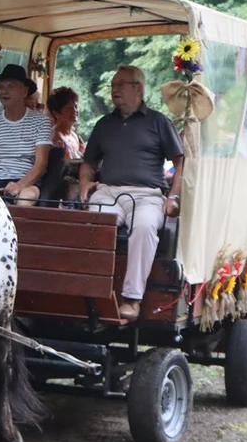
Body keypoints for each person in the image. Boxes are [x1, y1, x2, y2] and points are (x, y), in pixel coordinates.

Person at [78, 65, 184, 320]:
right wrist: (84, 184)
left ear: (138, 88)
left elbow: (180, 162)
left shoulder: (158, 121)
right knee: (95, 224)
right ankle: (93, 294)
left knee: (145, 227)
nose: (115, 90)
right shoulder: (104, 124)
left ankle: (132, 300)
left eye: (120, 84)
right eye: (113, 85)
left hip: (147, 195)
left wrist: (173, 197)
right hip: (108, 192)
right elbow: (88, 162)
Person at [0, 64, 52, 205]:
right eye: (1, 87)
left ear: (24, 91)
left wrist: (20, 185)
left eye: (11, 87)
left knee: (25, 198)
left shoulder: (41, 121)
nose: (4, 91)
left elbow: (41, 164)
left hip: (26, 182)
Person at [47, 87, 84, 160]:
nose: (75, 110)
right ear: (56, 113)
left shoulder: (74, 136)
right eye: (69, 108)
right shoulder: (54, 139)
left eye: (76, 106)